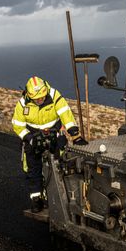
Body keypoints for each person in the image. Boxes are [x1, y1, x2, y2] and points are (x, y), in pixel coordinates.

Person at [11, 76, 85, 213]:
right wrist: (29, 138)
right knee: (33, 170)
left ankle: (64, 199)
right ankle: (37, 200)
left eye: (42, 97)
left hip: (54, 135)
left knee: (60, 166)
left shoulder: (54, 95)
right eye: (36, 98)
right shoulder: (22, 104)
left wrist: (74, 133)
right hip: (33, 138)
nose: (40, 100)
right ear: (29, 95)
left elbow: (65, 113)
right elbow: (17, 125)